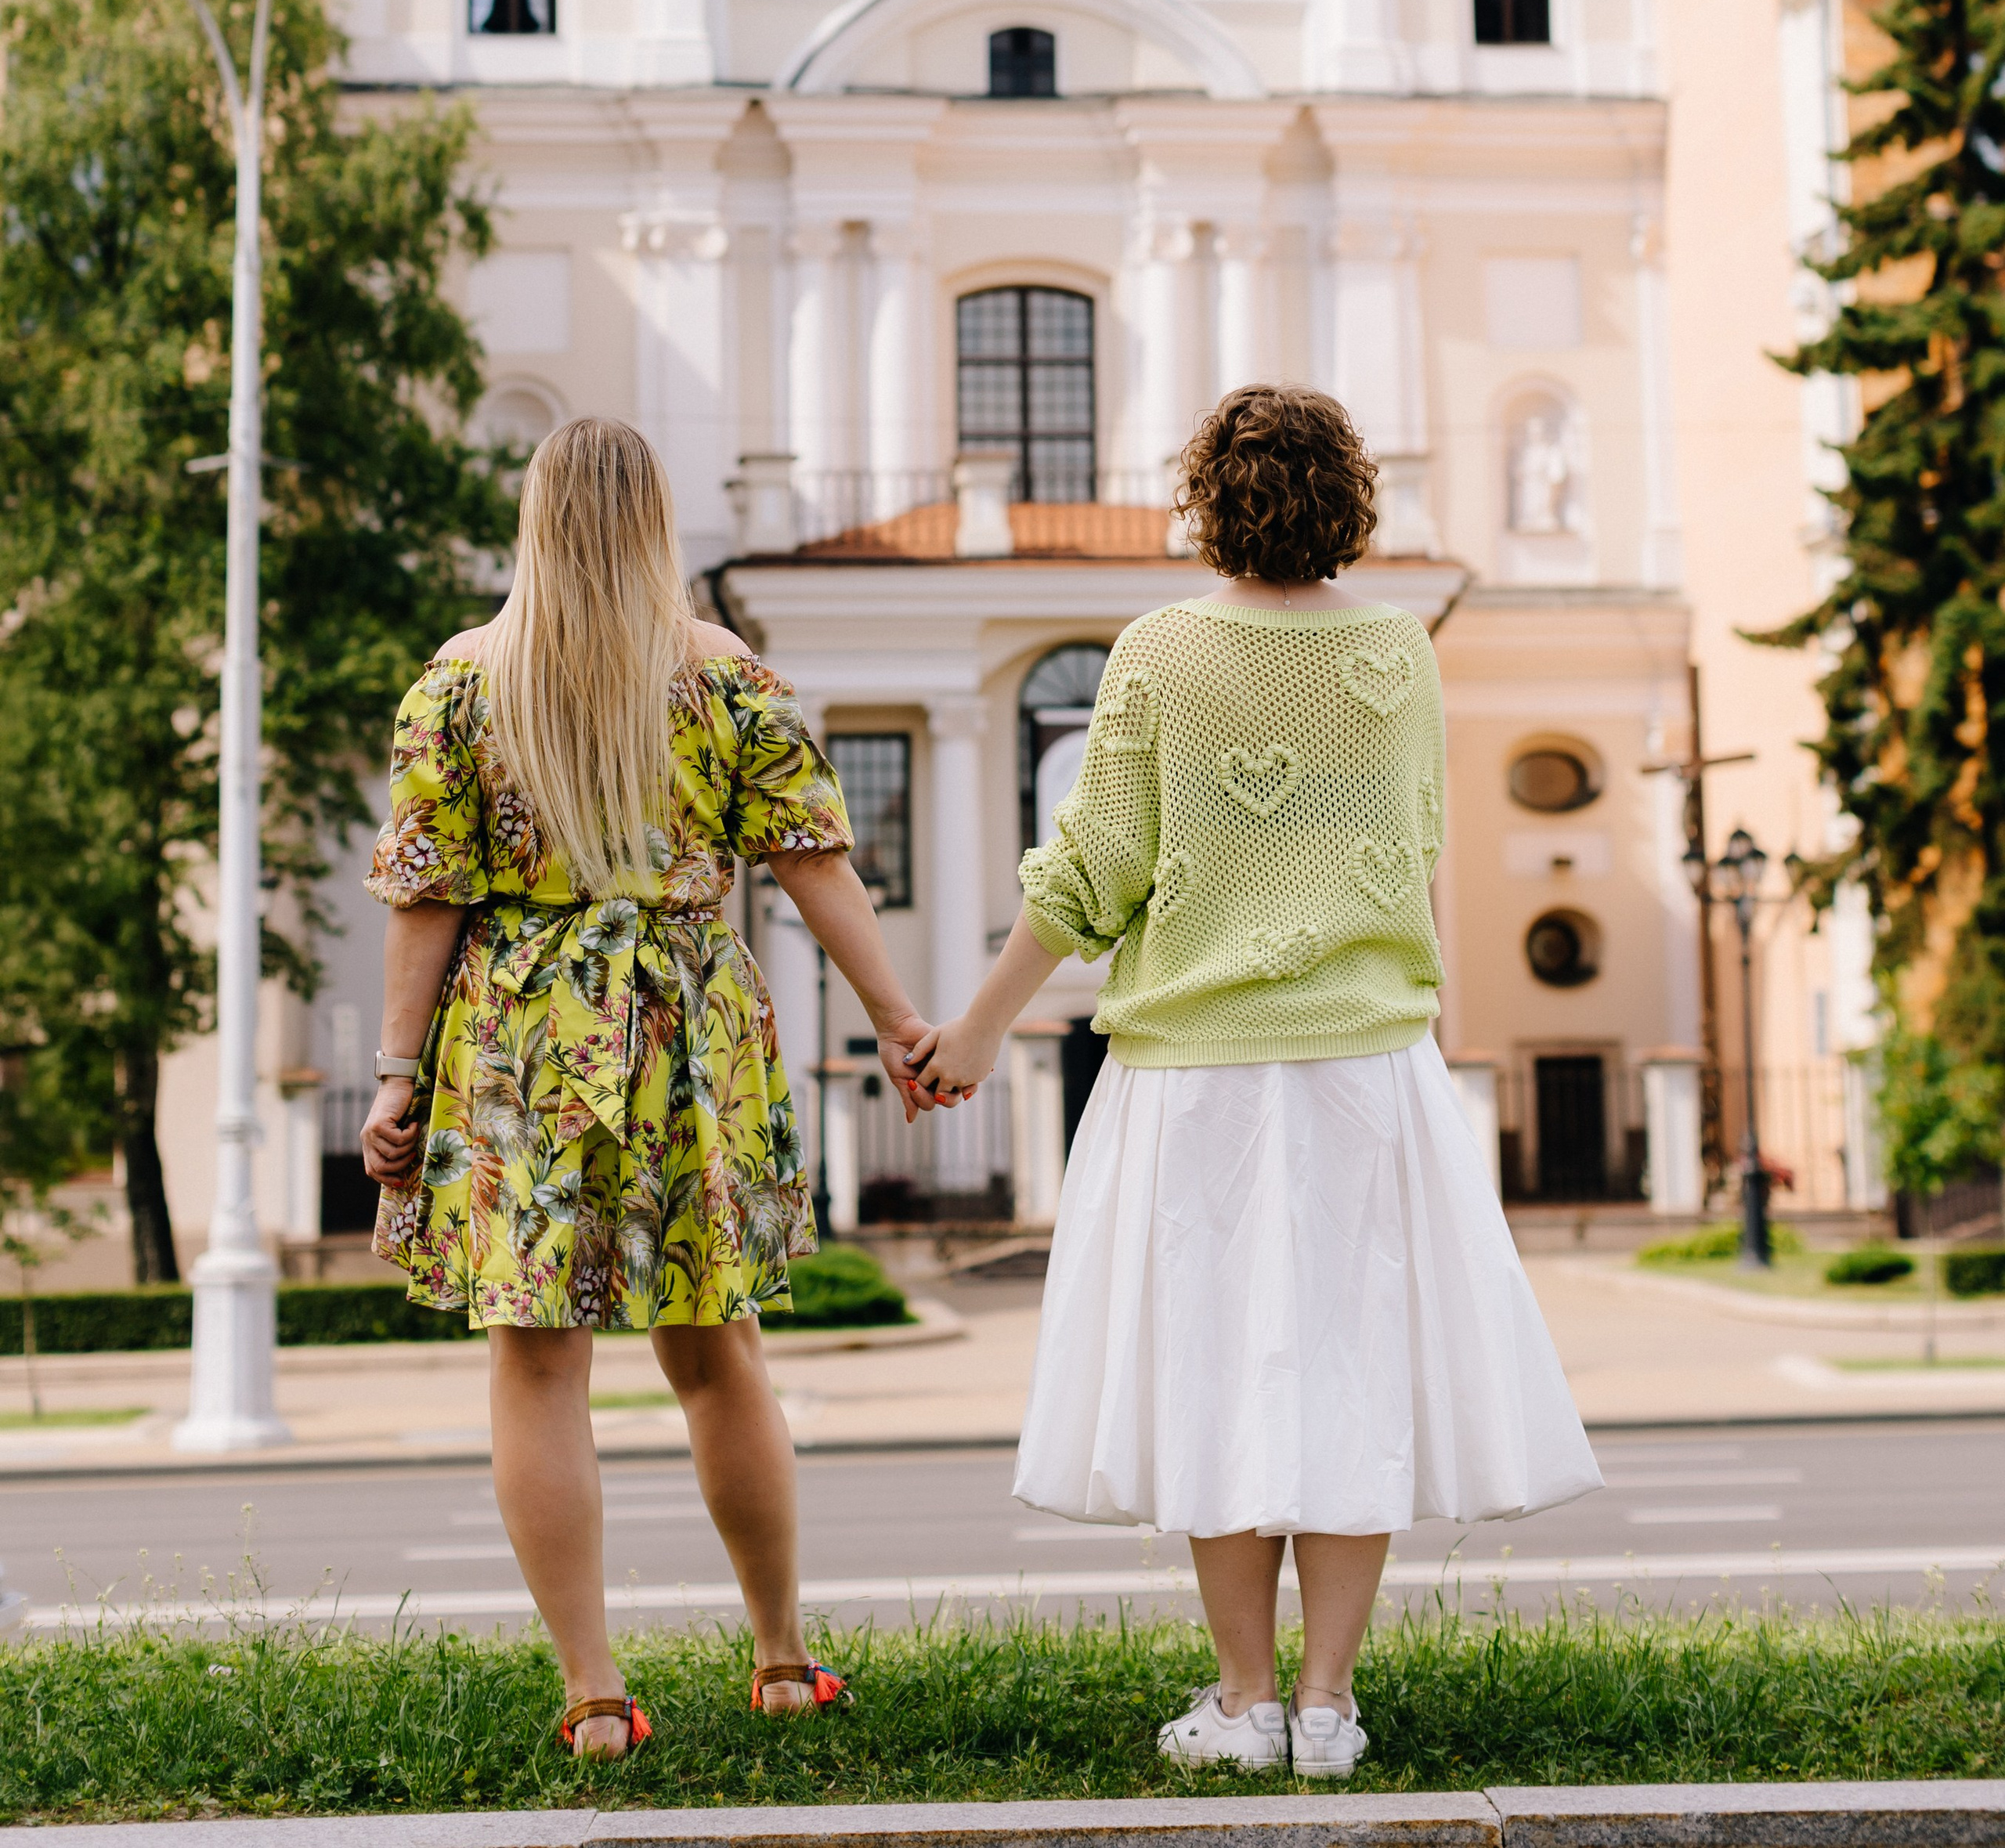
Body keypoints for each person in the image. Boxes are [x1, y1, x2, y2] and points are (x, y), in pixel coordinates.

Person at [915, 382, 1599, 1780]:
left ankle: (1242, 1701)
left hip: (1200, 1082)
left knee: (1221, 1369)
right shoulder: (1403, 652)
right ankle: (1331, 1703)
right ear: (1349, 494)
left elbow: (1092, 870)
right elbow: (1408, 849)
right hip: (1368, 1068)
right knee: (1349, 1368)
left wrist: (980, 1025)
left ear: (1205, 497)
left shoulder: (1158, 652)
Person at [359, 416, 940, 1753]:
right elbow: (814, 863)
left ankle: (593, 1693)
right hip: (687, 1015)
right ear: (656, 522)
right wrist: (899, 1020)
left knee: (536, 1359)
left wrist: (399, 1077)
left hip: (522, 1029)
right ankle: (786, 1659)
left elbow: (422, 896)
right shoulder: (722, 674)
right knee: (716, 1348)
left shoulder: (461, 682)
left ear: (534, 518)